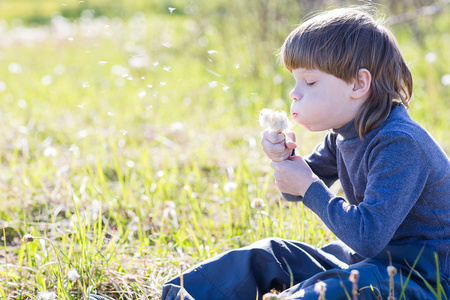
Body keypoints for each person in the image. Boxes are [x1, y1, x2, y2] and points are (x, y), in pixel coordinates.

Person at [160, 7, 450, 299]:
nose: (294, 93)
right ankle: (183, 294)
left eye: (309, 82)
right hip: (373, 264)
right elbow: (293, 192)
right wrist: (285, 160)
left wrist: (309, 186)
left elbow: (367, 236)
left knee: (342, 286)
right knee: (271, 253)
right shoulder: (343, 134)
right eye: (295, 81)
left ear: (358, 83)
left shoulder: (399, 143)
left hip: (427, 277)